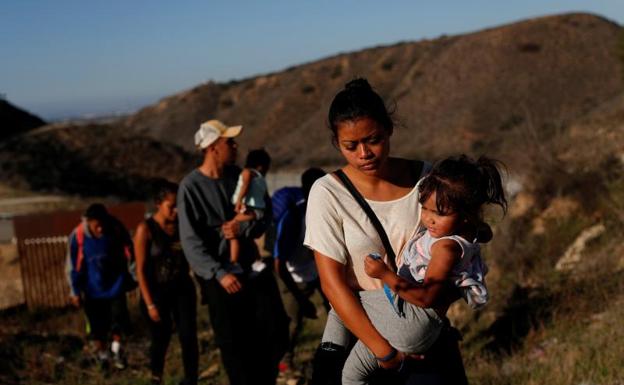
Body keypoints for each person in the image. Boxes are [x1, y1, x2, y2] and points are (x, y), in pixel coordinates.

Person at [304, 78, 468, 385]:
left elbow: (455, 246)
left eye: (373, 140)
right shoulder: (327, 193)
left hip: (424, 330)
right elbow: (332, 284)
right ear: (336, 143)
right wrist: (386, 353)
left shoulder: (426, 179)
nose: (363, 153)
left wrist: (427, 324)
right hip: (366, 343)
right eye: (350, 146)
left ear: (390, 129)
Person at [337, 155, 506, 384]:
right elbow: (484, 231)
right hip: (416, 321)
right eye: (425, 209)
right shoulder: (465, 231)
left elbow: (426, 297)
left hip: (415, 318)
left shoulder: (445, 248)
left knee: (344, 302)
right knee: (350, 366)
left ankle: (327, 355)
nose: (429, 219)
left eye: (440, 213)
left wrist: (384, 275)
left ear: (465, 215)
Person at [177, 119, 289, 385]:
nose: (236, 146)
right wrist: (219, 273)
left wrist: (243, 229)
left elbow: (263, 216)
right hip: (221, 279)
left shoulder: (240, 177)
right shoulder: (190, 187)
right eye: (230, 142)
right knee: (234, 345)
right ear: (213, 147)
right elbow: (191, 241)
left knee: (273, 330)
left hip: (250, 270)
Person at [134, 180, 198, 385]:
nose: (176, 210)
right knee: (160, 337)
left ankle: (191, 379)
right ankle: (156, 377)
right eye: (172, 205)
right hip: (157, 291)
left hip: (182, 289)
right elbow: (141, 270)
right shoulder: (146, 229)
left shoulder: (182, 226)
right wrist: (150, 303)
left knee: (188, 336)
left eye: (179, 204)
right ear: (158, 204)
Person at [273, 167, 331, 372]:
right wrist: (300, 298)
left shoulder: (326, 213)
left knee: (337, 313)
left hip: (318, 271)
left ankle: (336, 354)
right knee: (293, 323)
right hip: (294, 275)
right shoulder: (292, 218)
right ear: (308, 190)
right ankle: (284, 362)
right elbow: (279, 265)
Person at [66, 203, 133, 371]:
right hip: (92, 289)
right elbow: (72, 265)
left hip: (115, 285)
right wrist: (74, 291)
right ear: (88, 222)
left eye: (103, 224)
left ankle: (117, 351)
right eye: (97, 225)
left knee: (118, 320)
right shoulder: (79, 236)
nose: (100, 228)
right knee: (97, 327)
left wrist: (133, 277)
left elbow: (130, 252)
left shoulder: (116, 229)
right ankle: (103, 356)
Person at [229, 149, 271, 272]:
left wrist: (239, 201)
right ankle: (257, 261)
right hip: (258, 211)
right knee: (247, 238)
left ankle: (234, 263)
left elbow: (245, 185)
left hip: (249, 210)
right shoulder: (260, 178)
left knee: (232, 231)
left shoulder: (247, 172)